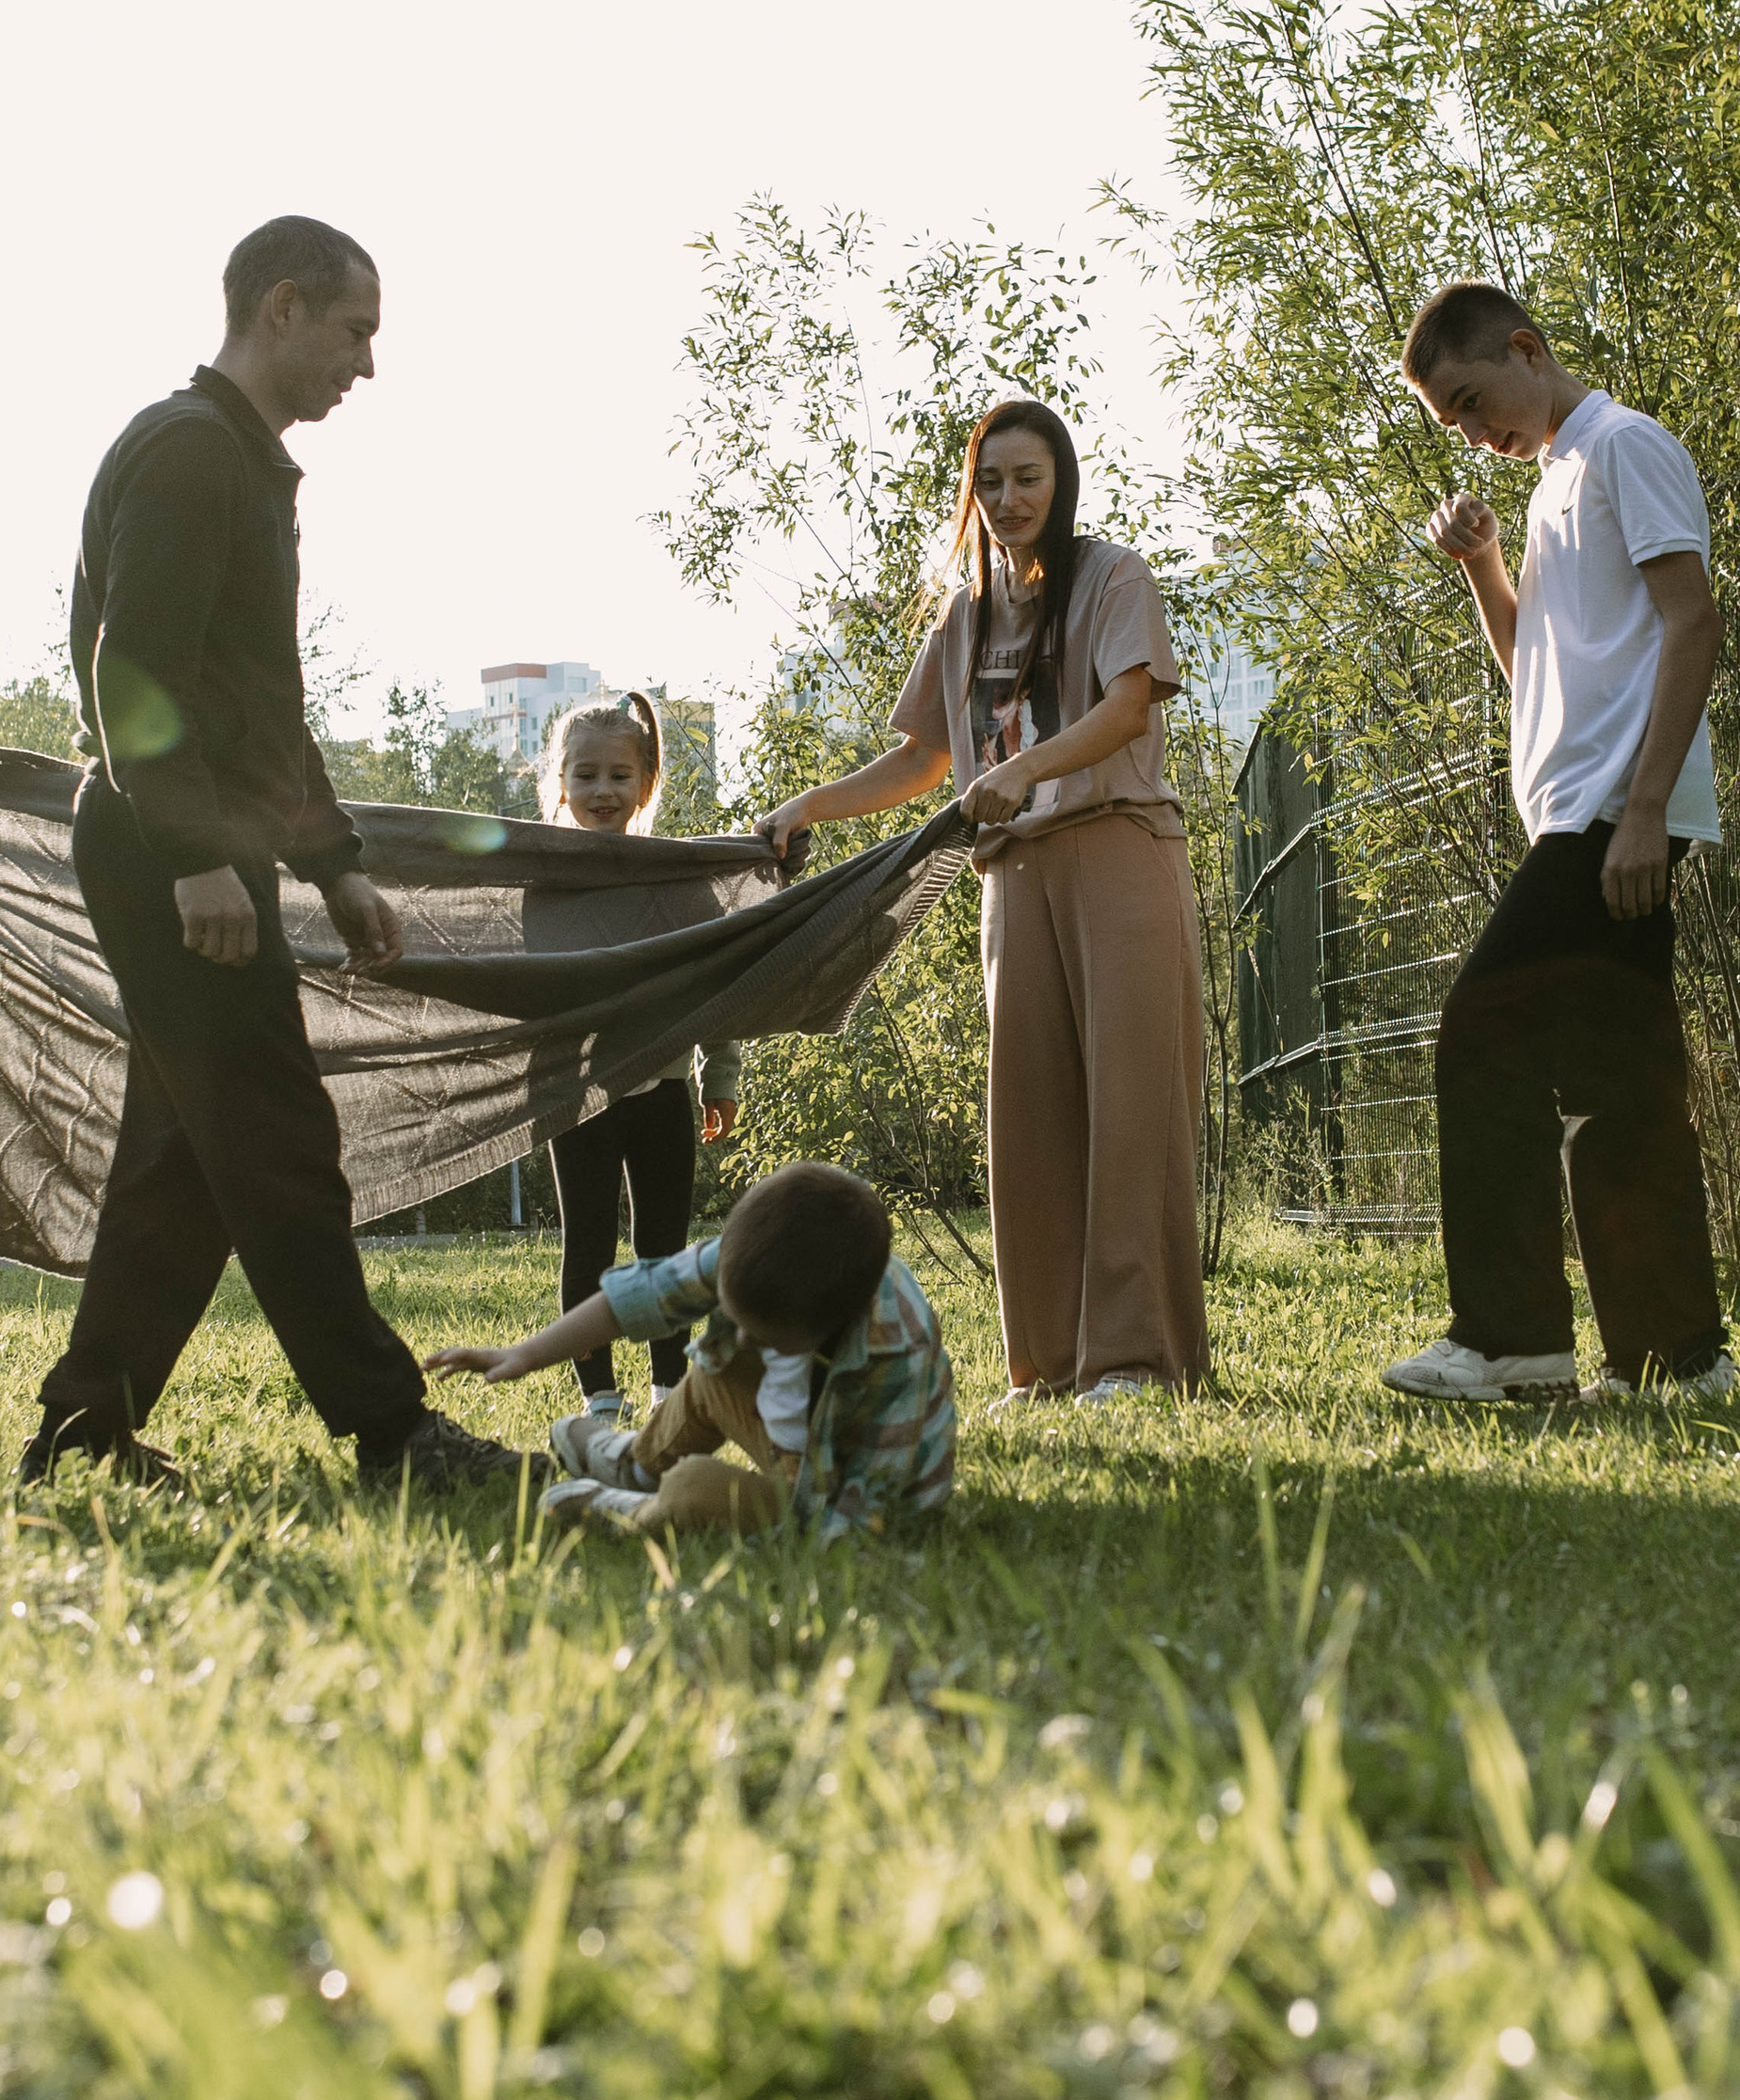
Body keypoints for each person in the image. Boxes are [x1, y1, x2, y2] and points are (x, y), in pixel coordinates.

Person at [22, 214, 523, 1499]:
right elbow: (132, 674)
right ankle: (393, 1432)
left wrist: (335, 863)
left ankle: (84, 1429)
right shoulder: (190, 454)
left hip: (194, 837)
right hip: (162, 844)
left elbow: (261, 710)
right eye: (357, 331)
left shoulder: (242, 463)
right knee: (279, 1137)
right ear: (282, 309)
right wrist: (192, 852)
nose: (366, 364)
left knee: (188, 1158)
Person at [756, 400, 1209, 1405]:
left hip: (1117, 851)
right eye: (990, 482)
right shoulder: (964, 615)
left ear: (1062, 484)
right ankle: (1046, 1366)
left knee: (1130, 1112)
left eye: (1027, 480)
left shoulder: (1111, 576)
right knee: (1031, 1121)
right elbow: (923, 757)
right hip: (1010, 876)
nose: (1007, 500)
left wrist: (1027, 768)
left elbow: (1127, 705)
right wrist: (807, 803)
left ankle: (1132, 1358)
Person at [1382, 283, 1734, 1407]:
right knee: (1617, 1088)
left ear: (1526, 352)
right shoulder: (1550, 486)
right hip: (1579, 812)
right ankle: (1675, 1360)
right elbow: (1535, 665)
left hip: (1607, 818)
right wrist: (1483, 567)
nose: (1476, 434)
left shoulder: (1625, 446)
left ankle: (1509, 1342)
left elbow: (1695, 622)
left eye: (1474, 401)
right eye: (1454, 424)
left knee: (1480, 1032)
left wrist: (1641, 812)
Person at [427, 1161, 956, 1539]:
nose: (746, 1341)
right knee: (715, 1371)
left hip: (835, 1488)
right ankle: (638, 1464)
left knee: (695, 1488)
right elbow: (640, 1296)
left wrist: (744, 1507)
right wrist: (524, 1353)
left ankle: (630, 1507)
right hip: (792, 1433)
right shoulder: (762, 1249)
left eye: (766, 1337)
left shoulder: (895, 1355)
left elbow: (859, 1523)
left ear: (831, 1325)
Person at [531, 691, 742, 1421]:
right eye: (584, 775)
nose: (601, 791)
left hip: (662, 1090)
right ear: (559, 782)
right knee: (585, 1244)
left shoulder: (677, 877)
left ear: (647, 783)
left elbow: (718, 977)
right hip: (577, 1096)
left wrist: (721, 1075)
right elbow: (525, 985)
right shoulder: (544, 877)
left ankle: (667, 1387)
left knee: (663, 1248)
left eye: (619, 775)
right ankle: (599, 1398)